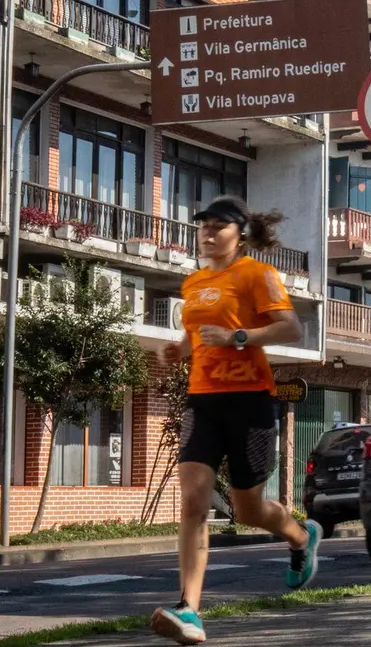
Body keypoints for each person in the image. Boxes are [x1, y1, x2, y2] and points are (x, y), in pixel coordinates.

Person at [151, 197, 322, 645]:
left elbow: (290, 328)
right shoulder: (194, 282)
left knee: (248, 510)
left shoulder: (257, 275)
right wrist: (178, 351)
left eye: (218, 226)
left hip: (250, 401)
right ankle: (189, 610)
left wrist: (238, 337)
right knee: (193, 500)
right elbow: (195, 334)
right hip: (202, 401)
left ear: (240, 233)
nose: (207, 233)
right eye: (202, 226)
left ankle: (301, 536)